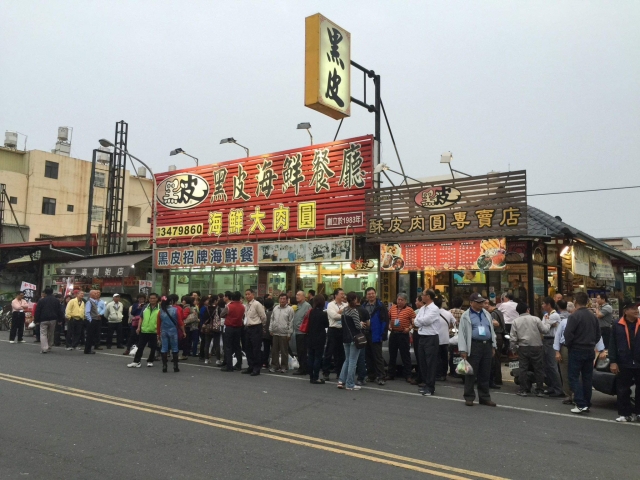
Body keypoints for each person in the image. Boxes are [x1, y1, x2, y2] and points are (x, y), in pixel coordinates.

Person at [564, 292, 605, 414]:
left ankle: (580, 403)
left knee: (574, 377)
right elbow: (598, 334)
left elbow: (568, 334)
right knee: (587, 377)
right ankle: (586, 403)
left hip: (576, 349)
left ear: (575, 301)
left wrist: (570, 345)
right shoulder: (593, 316)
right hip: (590, 349)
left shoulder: (574, 316)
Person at [458, 293, 497, 407]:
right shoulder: (466, 316)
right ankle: (469, 396)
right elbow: (462, 334)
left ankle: (484, 397)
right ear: (471, 303)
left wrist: (493, 346)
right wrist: (463, 350)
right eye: (478, 302)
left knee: (485, 372)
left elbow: (491, 330)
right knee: (471, 372)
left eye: (482, 302)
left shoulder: (486, 314)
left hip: (487, 345)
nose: (481, 304)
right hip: (474, 345)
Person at [510, 302, 550, 397]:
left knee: (523, 368)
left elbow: (513, 338)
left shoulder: (515, 321)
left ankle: (523, 390)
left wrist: (514, 349)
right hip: (536, 346)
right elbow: (545, 330)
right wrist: (548, 322)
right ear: (527, 309)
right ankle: (539, 389)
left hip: (523, 347)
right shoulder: (535, 319)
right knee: (538, 368)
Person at [609, 302, 640, 422]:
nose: (636, 311)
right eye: (633, 309)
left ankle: (638, 412)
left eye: (636, 309)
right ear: (625, 311)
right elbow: (612, 344)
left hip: (638, 361)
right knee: (622, 389)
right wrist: (613, 361)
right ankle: (624, 413)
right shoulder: (617, 325)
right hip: (624, 361)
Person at [414, 289, 441, 396]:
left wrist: (419, 321)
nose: (422, 297)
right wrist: (419, 321)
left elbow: (426, 320)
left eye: (423, 295)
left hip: (431, 337)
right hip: (422, 336)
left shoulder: (434, 309)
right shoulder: (423, 308)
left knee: (430, 363)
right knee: (422, 362)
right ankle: (426, 384)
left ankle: (430, 387)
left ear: (428, 296)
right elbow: (416, 320)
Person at [362, 287, 389, 386]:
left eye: (372, 293)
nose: (371, 295)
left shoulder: (380, 306)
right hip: (366, 333)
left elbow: (385, 321)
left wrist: (383, 334)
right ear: (366, 296)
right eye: (369, 294)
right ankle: (371, 375)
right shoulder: (364, 305)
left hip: (376, 334)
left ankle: (381, 376)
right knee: (368, 356)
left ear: (375, 294)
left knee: (378, 357)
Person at [387, 293, 416, 383]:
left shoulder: (410, 310)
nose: (399, 301)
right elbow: (388, 318)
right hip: (394, 334)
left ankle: (408, 375)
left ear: (405, 301)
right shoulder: (392, 308)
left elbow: (414, 322)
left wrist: (409, 328)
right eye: (398, 299)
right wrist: (389, 325)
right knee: (392, 354)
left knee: (405, 355)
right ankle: (391, 374)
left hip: (403, 334)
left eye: (402, 300)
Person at [338, 292, 363, 391]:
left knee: (347, 359)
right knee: (353, 361)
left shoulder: (344, 310)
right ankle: (350, 383)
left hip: (345, 338)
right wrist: (362, 324)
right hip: (354, 338)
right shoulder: (354, 311)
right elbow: (357, 325)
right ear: (355, 300)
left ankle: (341, 380)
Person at [128, 293, 160, 368]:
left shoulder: (160, 308)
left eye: (154, 298)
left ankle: (150, 360)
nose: (152, 300)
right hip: (144, 330)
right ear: (148, 299)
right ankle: (136, 361)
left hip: (154, 331)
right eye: (151, 298)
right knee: (140, 346)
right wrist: (139, 327)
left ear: (157, 299)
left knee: (153, 347)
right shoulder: (145, 307)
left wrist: (159, 331)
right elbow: (141, 318)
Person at [541, 297, 563, 397]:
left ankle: (558, 389)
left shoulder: (554, 315)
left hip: (551, 340)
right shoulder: (546, 315)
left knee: (552, 366)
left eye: (543, 303)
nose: (542, 305)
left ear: (549, 304)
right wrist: (547, 323)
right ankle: (551, 387)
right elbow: (542, 327)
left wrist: (547, 323)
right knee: (546, 366)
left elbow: (545, 328)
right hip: (545, 340)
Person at [323, 288, 347, 381]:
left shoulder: (346, 304)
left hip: (342, 330)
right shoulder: (330, 304)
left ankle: (339, 372)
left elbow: (348, 316)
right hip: (333, 330)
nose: (343, 296)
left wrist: (340, 313)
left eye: (343, 294)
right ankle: (326, 372)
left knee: (341, 353)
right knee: (329, 351)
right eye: (341, 294)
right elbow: (334, 317)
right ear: (336, 295)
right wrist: (342, 312)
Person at [242, 288, 267, 376]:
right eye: (246, 294)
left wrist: (260, 325)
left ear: (253, 295)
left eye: (249, 294)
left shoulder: (257, 304)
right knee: (248, 348)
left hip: (256, 328)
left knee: (256, 349)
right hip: (248, 328)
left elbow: (263, 317)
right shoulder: (246, 305)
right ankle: (250, 366)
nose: (247, 296)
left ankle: (257, 368)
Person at [158, 295, 185, 373]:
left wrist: (158, 334)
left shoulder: (161, 311)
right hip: (173, 331)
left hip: (164, 331)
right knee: (175, 348)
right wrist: (183, 331)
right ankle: (175, 366)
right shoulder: (175, 310)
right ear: (171, 301)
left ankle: (164, 366)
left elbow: (158, 323)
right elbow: (180, 322)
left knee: (164, 348)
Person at [307, 294, 329, 384]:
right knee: (318, 357)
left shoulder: (311, 312)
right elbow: (326, 325)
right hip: (320, 337)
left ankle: (311, 376)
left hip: (310, 336)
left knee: (311, 357)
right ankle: (316, 377)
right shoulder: (323, 314)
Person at [221, 291, 245, 372]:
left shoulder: (229, 306)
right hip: (238, 327)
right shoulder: (242, 306)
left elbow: (222, 314)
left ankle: (229, 365)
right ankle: (239, 364)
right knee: (237, 346)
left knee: (228, 347)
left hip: (229, 327)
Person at [269, 293, 294, 373]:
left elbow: (291, 322)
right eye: (281, 298)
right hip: (275, 333)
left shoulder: (290, 309)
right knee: (274, 351)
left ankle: (284, 366)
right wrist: (270, 329)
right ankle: (274, 366)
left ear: (287, 300)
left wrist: (289, 333)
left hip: (284, 334)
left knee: (284, 351)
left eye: (284, 299)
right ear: (278, 299)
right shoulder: (275, 308)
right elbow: (272, 319)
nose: (282, 300)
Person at [34, 287, 64, 353]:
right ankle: (50, 346)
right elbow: (59, 311)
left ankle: (44, 348)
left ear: (45, 293)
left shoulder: (41, 300)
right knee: (51, 333)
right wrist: (60, 320)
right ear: (52, 292)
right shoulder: (56, 301)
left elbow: (38, 311)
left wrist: (36, 320)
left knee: (43, 333)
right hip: (53, 319)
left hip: (43, 319)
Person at [435, 296, 455, 382]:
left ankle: (438, 374)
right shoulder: (448, 313)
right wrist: (447, 327)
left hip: (436, 338)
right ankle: (444, 374)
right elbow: (455, 322)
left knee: (437, 357)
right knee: (444, 357)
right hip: (445, 339)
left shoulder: (432, 313)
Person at [292, 291, 311, 376]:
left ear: (304, 297)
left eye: (299, 295)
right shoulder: (296, 306)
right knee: (299, 351)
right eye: (296, 295)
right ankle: (302, 367)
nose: (297, 296)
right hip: (297, 331)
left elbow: (309, 318)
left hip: (303, 332)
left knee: (302, 351)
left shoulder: (307, 306)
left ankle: (303, 368)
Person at [487, 301, 505, 388]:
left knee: (495, 360)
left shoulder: (493, 314)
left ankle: (496, 379)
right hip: (500, 337)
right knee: (497, 359)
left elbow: (492, 326)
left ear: (491, 306)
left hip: (496, 336)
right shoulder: (499, 312)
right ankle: (498, 378)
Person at [84, 290, 103, 354]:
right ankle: (87, 349)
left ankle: (89, 349)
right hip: (92, 320)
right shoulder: (89, 302)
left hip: (96, 320)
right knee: (89, 335)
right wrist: (90, 320)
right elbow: (87, 312)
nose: (96, 294)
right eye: (94, 293)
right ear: (91, 295)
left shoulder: (95, 302)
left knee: (92, 335)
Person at [262, 297, 274, 368]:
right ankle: (273, 363)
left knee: (266, 349)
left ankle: (265, 362)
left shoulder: (264, 313)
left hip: (265, 334)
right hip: (273, 333)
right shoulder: (274, 313)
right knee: (274, 349)